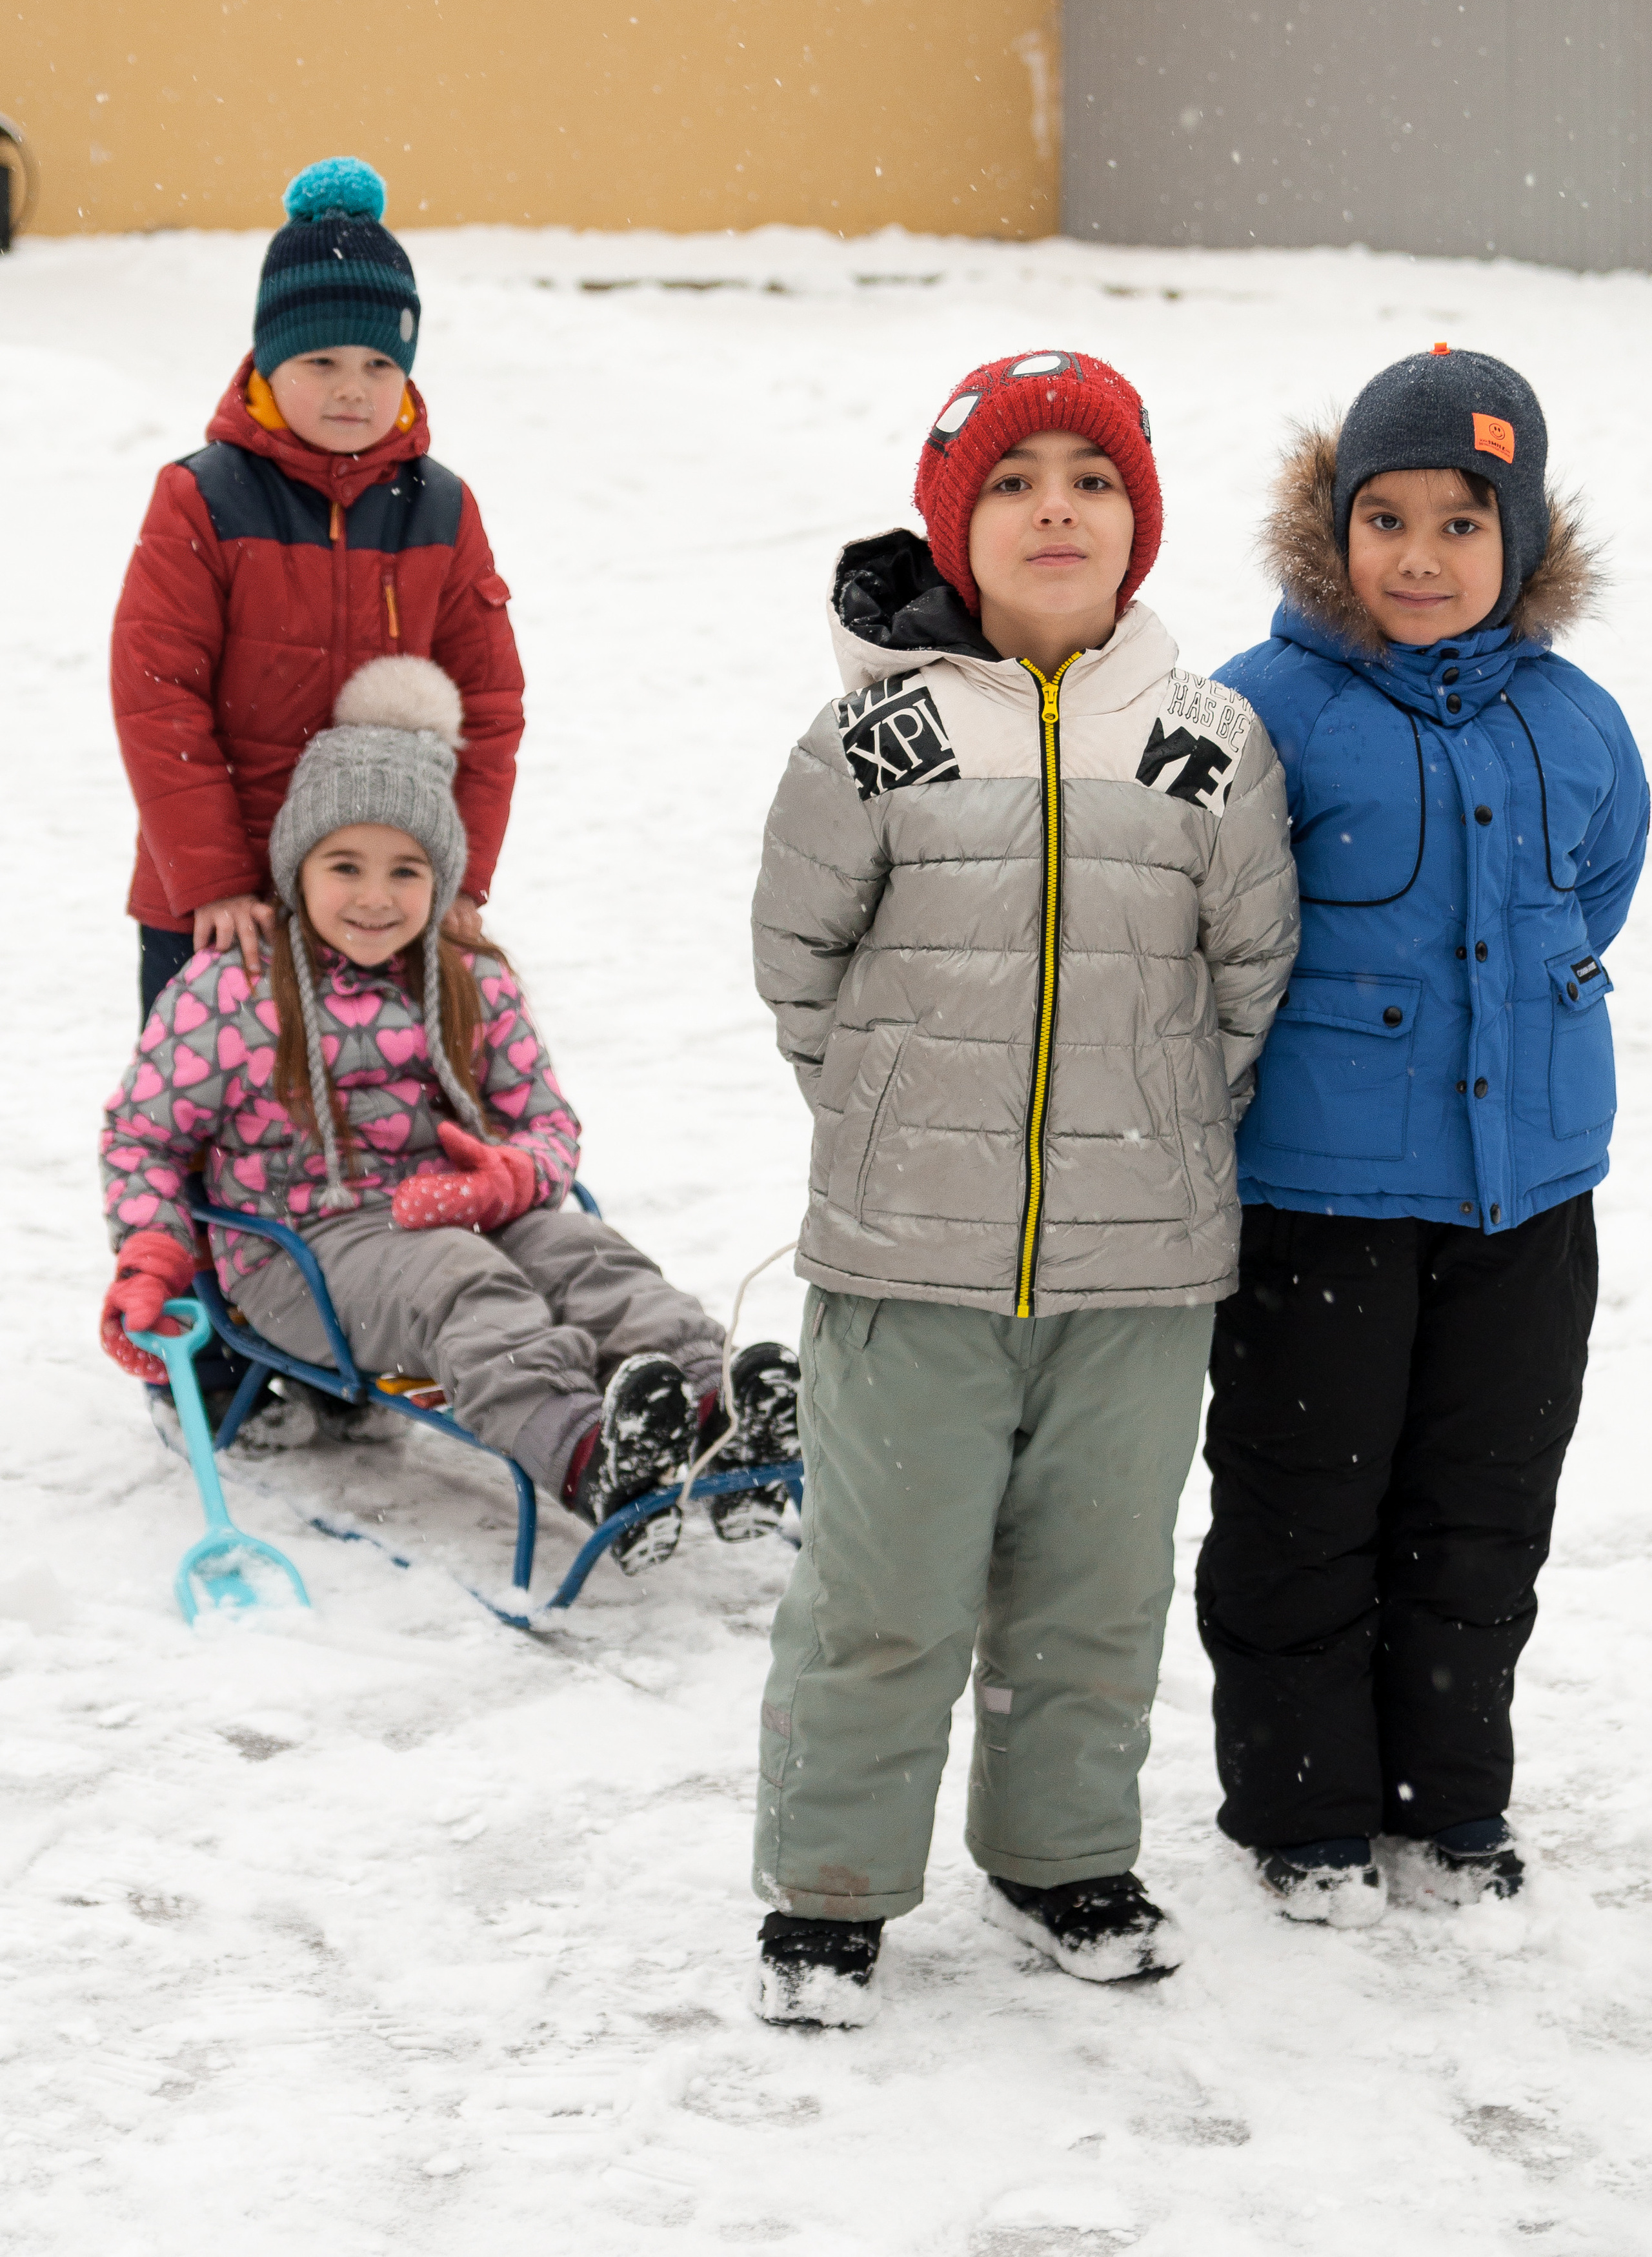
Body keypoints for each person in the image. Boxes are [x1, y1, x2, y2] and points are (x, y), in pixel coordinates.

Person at [746, 349, 1300, 2025]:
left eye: (1092, 477)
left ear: (1139, 523)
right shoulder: (879, 737)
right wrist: (895, 1114)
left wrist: (1154, 1137)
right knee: (883, 1585)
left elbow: (1251, 973)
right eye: (1013, 479)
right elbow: (798, 961)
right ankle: (831, 1883)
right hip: (907, 1261)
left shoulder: (1209, 742)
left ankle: (1063, 1852)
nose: (1055, 505)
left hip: (1137, 1274)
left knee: (1094, 1587)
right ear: (955, 525)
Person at [1200, 347, 1648, 1925]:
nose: (1418, 554)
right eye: (1381, 517)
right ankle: (1301, 1807)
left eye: (1461, 522)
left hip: (1524, 1194)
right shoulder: (1258, 711)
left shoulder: (1579, 721)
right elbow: (1215, 923)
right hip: (1320, 1195)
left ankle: (1444, 1796)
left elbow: (1593, 888)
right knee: (1301, 1499)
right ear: (1332, 529)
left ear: (1517, 541)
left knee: (1480, 1506)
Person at [99, 657, 801, 1566]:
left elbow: (548, 1122)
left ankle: (720, 1410)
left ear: (442, 878)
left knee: (586, 1254)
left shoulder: (472, 976)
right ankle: (591, 1455)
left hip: (469, 1211)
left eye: (406, 870)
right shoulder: (233, 989)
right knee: (463, 1285)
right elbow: (144, 1134)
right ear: (297, 869)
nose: (375, 896)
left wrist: (515, 1176)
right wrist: (152, 1257)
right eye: (344, 865)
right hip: (301, 1249)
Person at [111, 155, 525, 1019]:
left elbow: (487, 702)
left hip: (381, 899)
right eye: (323, 360)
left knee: (378, 1136)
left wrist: (459, 878)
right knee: (199, 1132)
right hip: (223, 909)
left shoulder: (441, 509)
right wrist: (215, 878)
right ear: (268, 359)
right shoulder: (201, 498)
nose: (353, 388)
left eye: (381, 363)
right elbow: (159, 696)